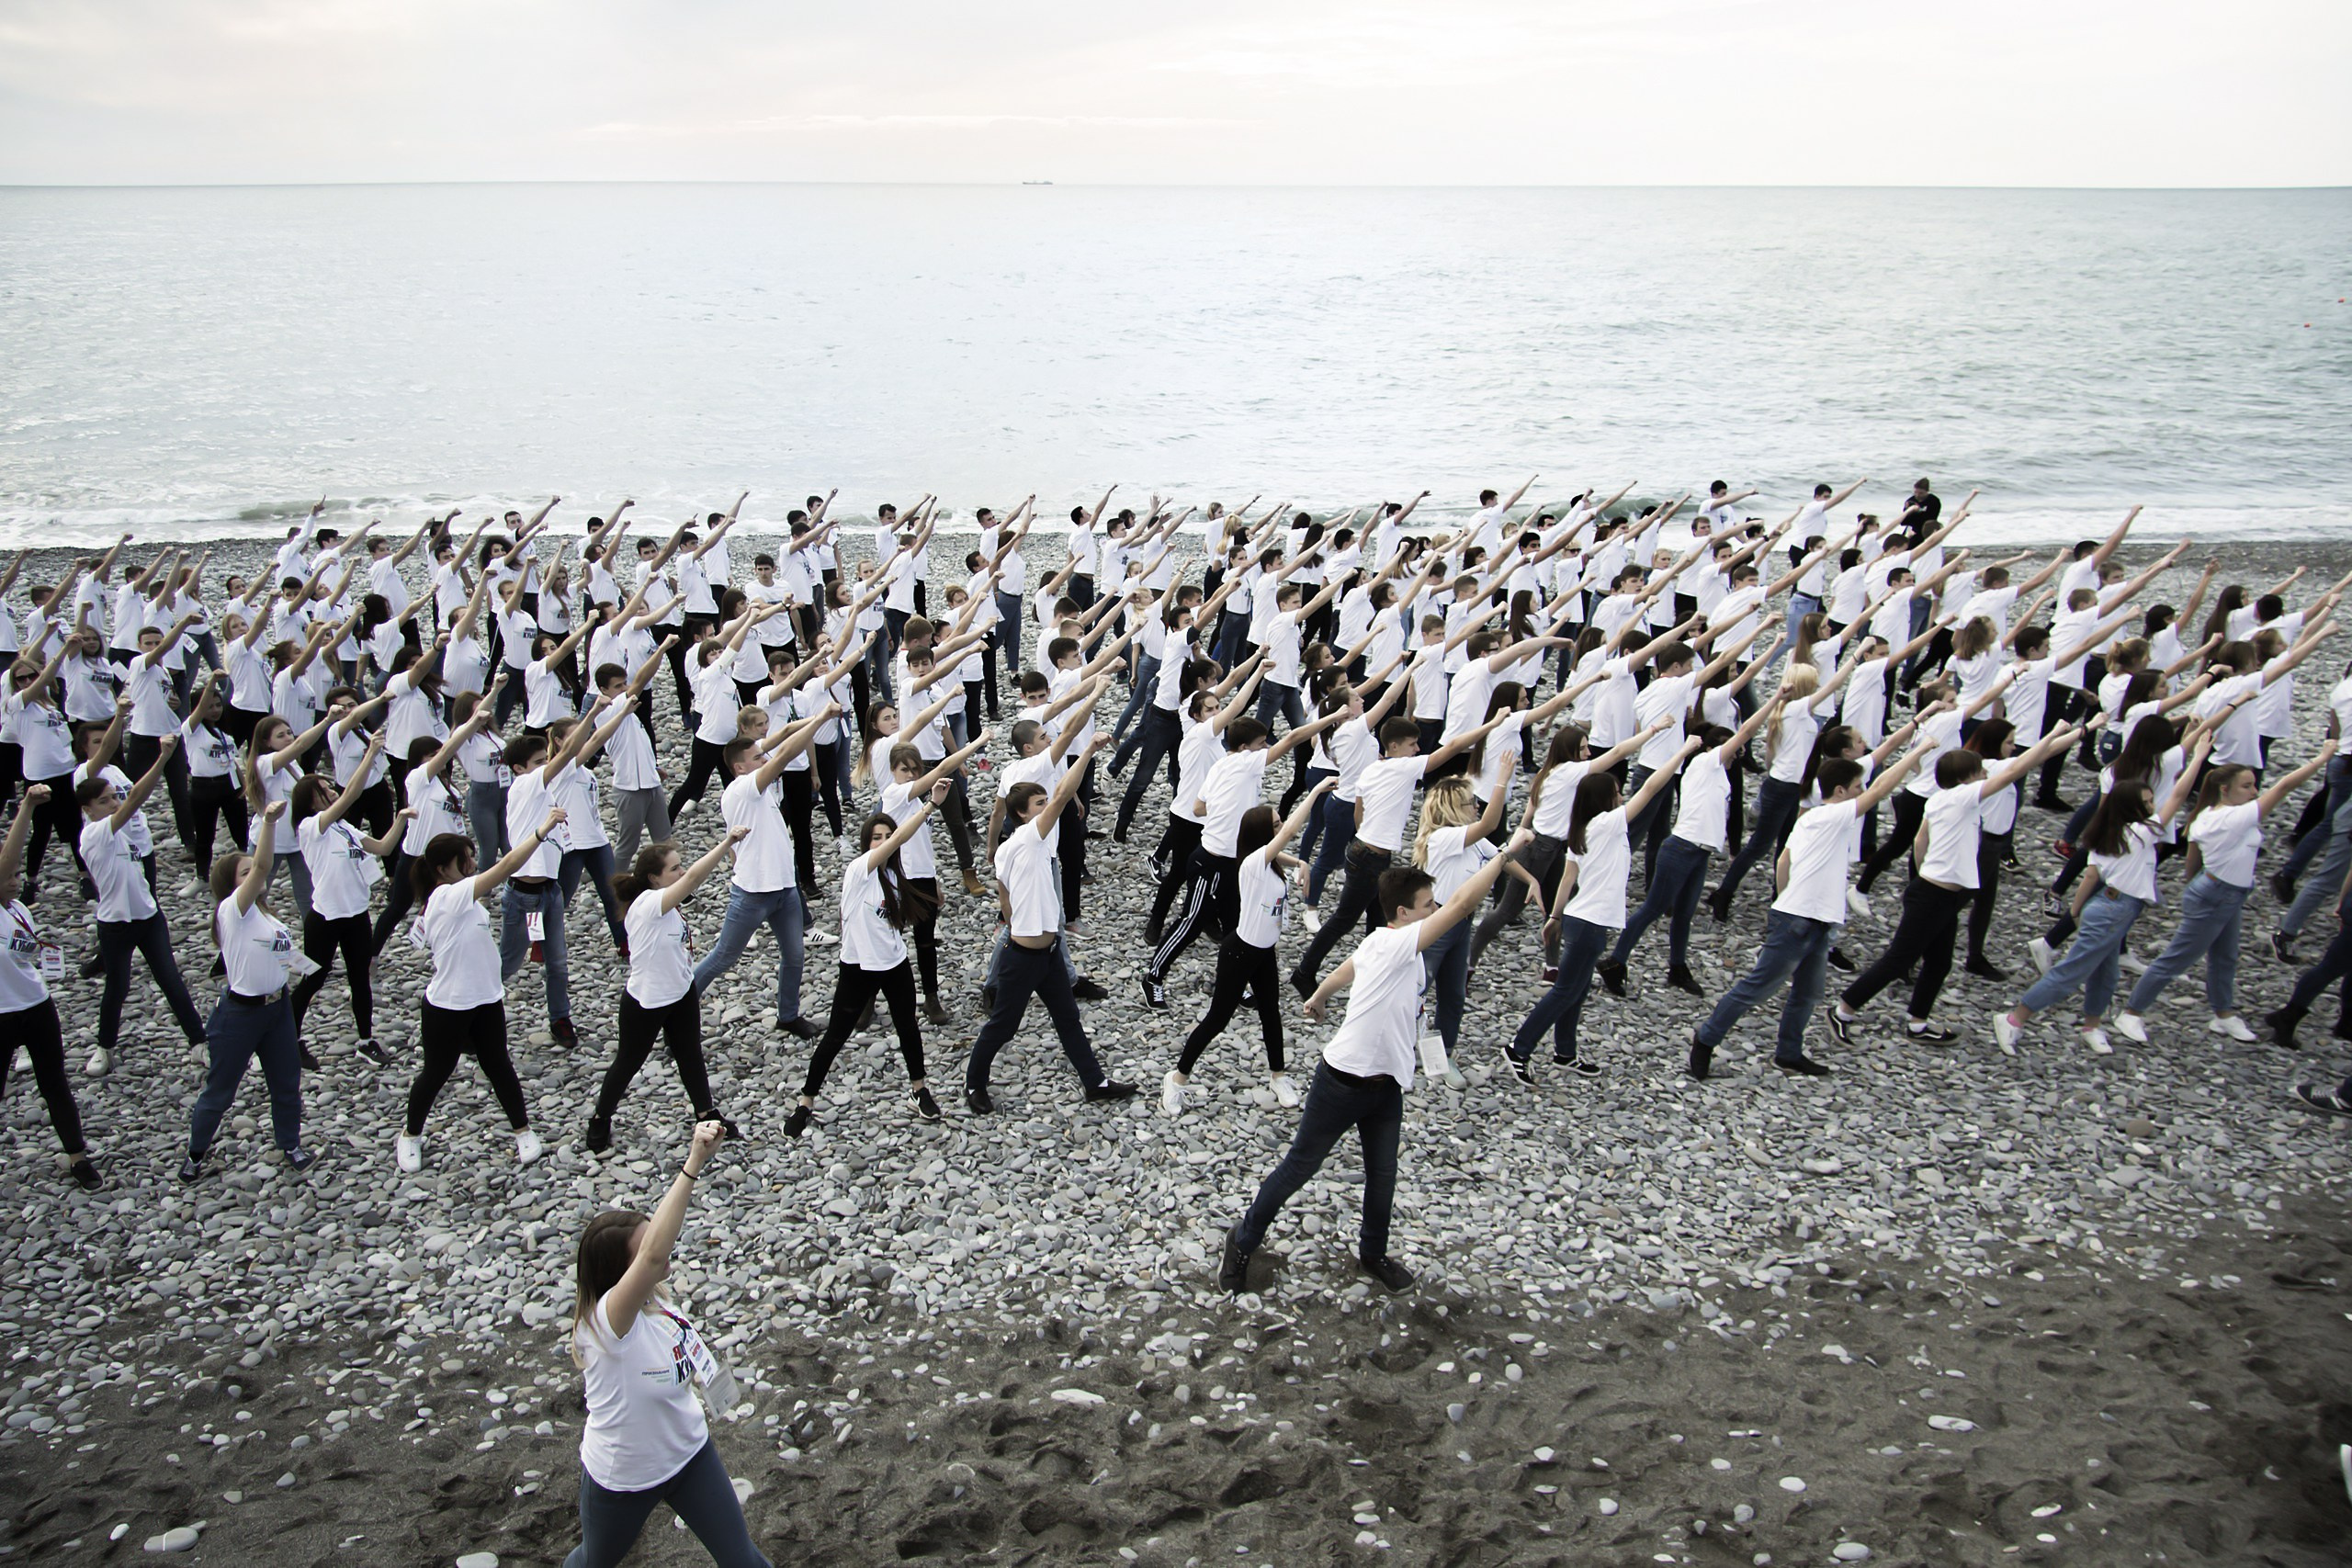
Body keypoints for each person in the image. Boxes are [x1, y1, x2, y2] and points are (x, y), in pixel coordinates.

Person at [1220, 838, 1524, 1296]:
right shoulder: (1397, 942)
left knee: (1383, 1176)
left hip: (1386, 1088)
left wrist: (1319, 996)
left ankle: (1373, 1253)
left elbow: (1348, 967)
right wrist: (1504, 854)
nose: (1436, 908)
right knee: (1300, 1166)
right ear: (1403, 913)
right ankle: (1242, 1241)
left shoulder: (1386, 945)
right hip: (1342, 1083)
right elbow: (1463, 904)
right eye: (1428, 905)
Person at [563, 1121, 771, 1568]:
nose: (663, 1248)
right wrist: (694, 1162)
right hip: (624, 1479)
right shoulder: (605, 1326)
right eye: (645, 1252)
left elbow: (655, 1251)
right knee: (593, 1562)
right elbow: (654, 1253)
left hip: (690, 1456)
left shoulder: (659, 1305)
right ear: (622, 1274)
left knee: (744, 1562)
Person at [1826, 722, 2079, 1045]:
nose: (1985, 776)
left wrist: (1923, 875)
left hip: (1939, 894)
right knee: (1899, 959)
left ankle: (1918, 1023)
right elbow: (2018, 769)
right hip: (1933, 895)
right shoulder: (1962, 797)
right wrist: (2054, 734)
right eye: (1979, 773)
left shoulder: (1940, 800)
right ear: (1965, 779)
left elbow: (1920, 842)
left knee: (1940, 962)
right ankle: (1843, 1010)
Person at [1685, 745, 1928, 1079]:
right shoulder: (1831, 816)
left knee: (1807, 993)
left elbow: (1784, 863)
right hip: (1798, 920)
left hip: (1817, 920)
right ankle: (1706, 1039)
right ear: (1840, 791)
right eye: (1857, 787)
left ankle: (1788, 1053)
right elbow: (1882, 788)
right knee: (1757, 988)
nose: (1862, 792)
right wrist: (1920, 749)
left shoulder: (1810, 819)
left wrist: (1787, 899)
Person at [2114, 743, 2339, 1044]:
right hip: (2218, 895)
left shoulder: (2208, 815)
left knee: (2225, 957)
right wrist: (2322, 759)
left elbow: (2193, 859)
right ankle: (2131, 1012)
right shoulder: (2233, 818)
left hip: (2224, 894)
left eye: (2254, 785)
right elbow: (2284, 786)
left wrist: (2195, 887)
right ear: (2224, 789)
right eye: (2247, 786)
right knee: (2177, 958)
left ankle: (2223, 1015)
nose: (2254, 791)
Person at [1995, 739, 2206, 1055]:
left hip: (2107, 907)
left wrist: (2077, 911)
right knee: (2072, 971)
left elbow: (2091, 877)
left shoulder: (2106, 833)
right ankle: (2014, 1019)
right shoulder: (2141, 833)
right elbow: (2177, 796)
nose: (2153, 806)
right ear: (2132, 808)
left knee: (2106, 973)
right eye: (2147, 802)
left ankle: (2091, 1026)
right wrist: (2198, 757)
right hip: (2114, 910)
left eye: (2152, 801)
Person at [1507, 742, 1698, 1079]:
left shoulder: (1582, 829)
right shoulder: (1609, 823)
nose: (1622, 797)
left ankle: (1565, 1053)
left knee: (1577, 990)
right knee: (1566, 990)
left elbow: (1568, 878)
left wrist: (1554, 917)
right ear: (1604, 800)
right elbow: (1650, 788)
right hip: (1590, 923)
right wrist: (1681, 752)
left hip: (1581, 918)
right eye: (1617, 793)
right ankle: (1518, 1049)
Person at [965, 745, 1136, 1112]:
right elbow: (1061, 794)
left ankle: (1095, 1082)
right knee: (1002, 1026)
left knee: (1068, 1019)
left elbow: (1006, 903)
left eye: (1045, 802)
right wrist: (1088, 751)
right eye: (1039, 804)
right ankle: (974, 1083)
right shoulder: (1030, 837)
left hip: (1050, 953)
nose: (1048, 808)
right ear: (1022, 815)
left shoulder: (1018, 848)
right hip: (1023, 958)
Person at [399, 807, 566, 1173]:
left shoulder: (459, 896)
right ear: (443, 869)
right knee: (436, 1072)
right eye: (466, 859)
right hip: (448, 1006)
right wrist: (541, 831)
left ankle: (522, 1130)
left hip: (486, 1000)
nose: (473, 863)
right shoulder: (447, 896)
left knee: (498, 1065)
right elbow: (506, 867)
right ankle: (410, 1135)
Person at [785, 784, 955, 1135]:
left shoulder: (894, 876)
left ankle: (919, 1089)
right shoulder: (858, 871)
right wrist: (930, 806)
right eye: (876, 837)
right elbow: (901, 839)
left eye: (887, 837)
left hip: (895, 965)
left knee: (908, 1028)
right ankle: (806, 1102)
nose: (884, 842)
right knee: (835, 1036)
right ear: (866, 843)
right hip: (858, 969)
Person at [1162, 785, 1328, 1117]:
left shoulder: (1265, 858)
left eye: (1279, 822)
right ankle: (1176, 1079)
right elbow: (1290, 832)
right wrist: (1318, 791)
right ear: (1264, 833)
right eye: (1276, 824)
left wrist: (1300, 862)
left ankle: (1278, 1077)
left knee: (1271, 1014)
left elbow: (1279, 850)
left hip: (1265, 951)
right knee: (1217, 1020)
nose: (1282, 827)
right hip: (1240, 953)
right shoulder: (1253, 864)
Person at [588, 831, 750, 1154]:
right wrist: (726, 843)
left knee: (690, 1054)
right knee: (628, 1062)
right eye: (674, 868)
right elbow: (693, 879)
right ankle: (600, 1118)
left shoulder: (665, 902)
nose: (681, 872)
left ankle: (706, 1113)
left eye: (680, 866)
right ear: (654, 878)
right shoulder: (648, 903)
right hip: (647, 1002)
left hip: (681, 992)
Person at [687, 701, 840, 1039]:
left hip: (784, 890)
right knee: (723, 957)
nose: (764, 760)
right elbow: (784, 754)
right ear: (739, 767)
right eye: (757, 758)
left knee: (794, 955)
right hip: (753, 894)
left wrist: (814, 720)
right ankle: (677, 1012)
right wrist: (820, 719)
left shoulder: (761, 791)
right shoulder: (743, 788)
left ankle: (788, 1016)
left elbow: (782, 740)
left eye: (762, 756)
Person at [184, 800, 312, 1182]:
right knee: (220, 1090)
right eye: (245, 872)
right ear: (232, 883)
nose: (255, 873)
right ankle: (195, 1155)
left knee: (286, 1081)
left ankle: (290, 1143)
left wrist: (304, 966)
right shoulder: (232, 910)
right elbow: (263, 866)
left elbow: (280, 952)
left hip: (277, 1009)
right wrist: (269, 824)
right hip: (241, 1014)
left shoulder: (263, 913)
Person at [79, 733, 206, 1078]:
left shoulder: (124, 833)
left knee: (171, 980)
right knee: (117, 987)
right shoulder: (93, 835)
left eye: (113, 798)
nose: (113, 804)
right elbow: (136, 796)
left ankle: (199, 1042)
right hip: (116, 924)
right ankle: (104, 1047)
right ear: (88, 810)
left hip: (149, 917)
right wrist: (163, 758)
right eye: (104, 801)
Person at [0, 785, 100, 1190]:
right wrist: (27, 806)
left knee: (55, 1083)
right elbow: (10, 854)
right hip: (2, 1015)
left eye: (17, 876)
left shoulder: (20, 909)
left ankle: (77, 1157)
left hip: (37, 1006)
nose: (15, 880)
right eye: (9, 877)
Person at [288, 740, 407, 1066]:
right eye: (323, 789)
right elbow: (351, 794)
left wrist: (402, 818)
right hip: (327, 916)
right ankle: (290, 1037)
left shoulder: (343, 828)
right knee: (314, 977)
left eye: (329, 787)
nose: (331, 790)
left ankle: (366, 1041)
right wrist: (370, 754)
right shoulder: (311, 827)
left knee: (359, 978)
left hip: (356, 913)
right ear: (310, 800)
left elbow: (383, 848)